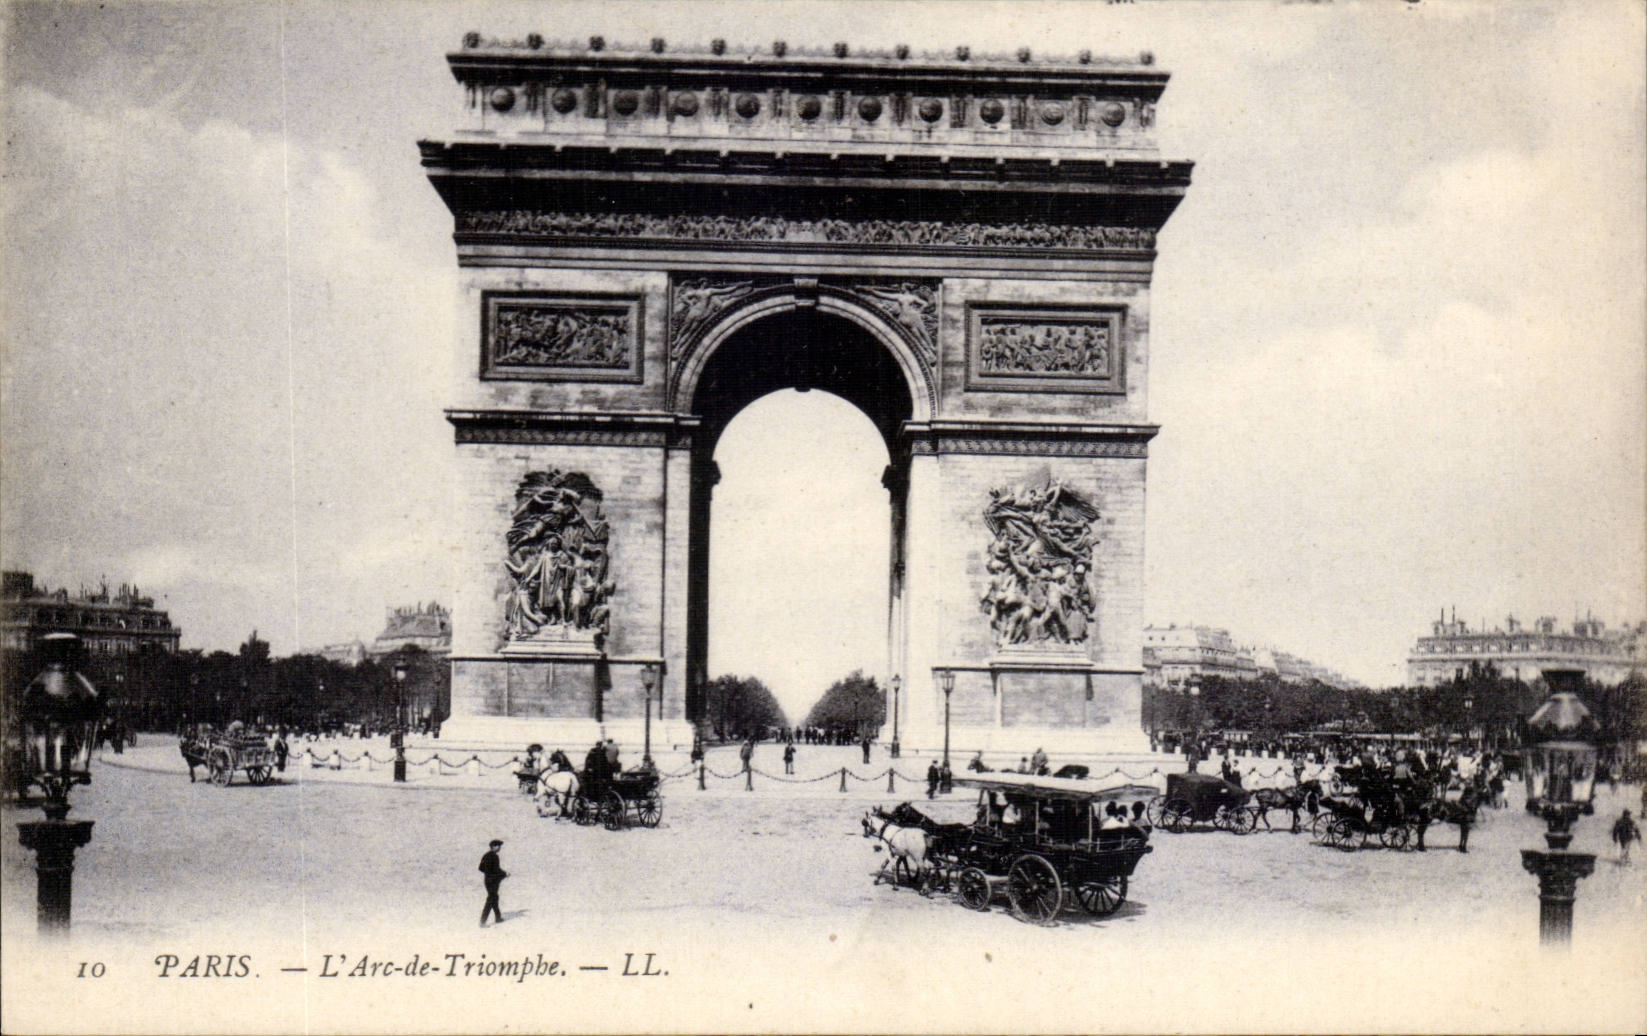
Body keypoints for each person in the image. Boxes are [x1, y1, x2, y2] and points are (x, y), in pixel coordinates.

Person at [478, 839, 508, 927]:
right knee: (491, 899)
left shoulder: (486, 855)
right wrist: (505, 874)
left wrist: (488, 873)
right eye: (498, 846)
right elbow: (496, 869)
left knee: (494, 897)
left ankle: (498, 917)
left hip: (487, 881)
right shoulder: (494, 857)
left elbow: (480, 868)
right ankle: (482, 922)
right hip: (493, 881)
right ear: (494, 847)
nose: (499, 848)